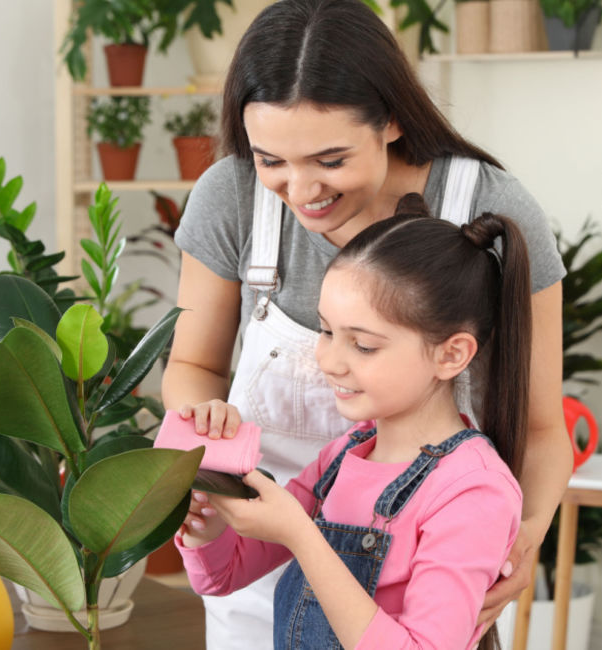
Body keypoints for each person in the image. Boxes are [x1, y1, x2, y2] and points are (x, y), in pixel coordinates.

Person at [162, 0, 573, 646]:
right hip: (262, 558)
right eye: (271, 160)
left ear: (389, 120)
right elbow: (193, 367)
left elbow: (545, 426)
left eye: (329, 160)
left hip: (417, 578)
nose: (299, 192)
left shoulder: (490, 208)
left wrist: (520, 541)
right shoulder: (336, 463)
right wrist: (209, 464)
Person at [177, 201, 532, 649]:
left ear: (451, 354)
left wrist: (303, 536)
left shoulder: (472, 491)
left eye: (362, 345)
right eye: (326, 331)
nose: (327, 360)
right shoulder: (345, 454)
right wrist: (208, 521)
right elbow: (224, 576)